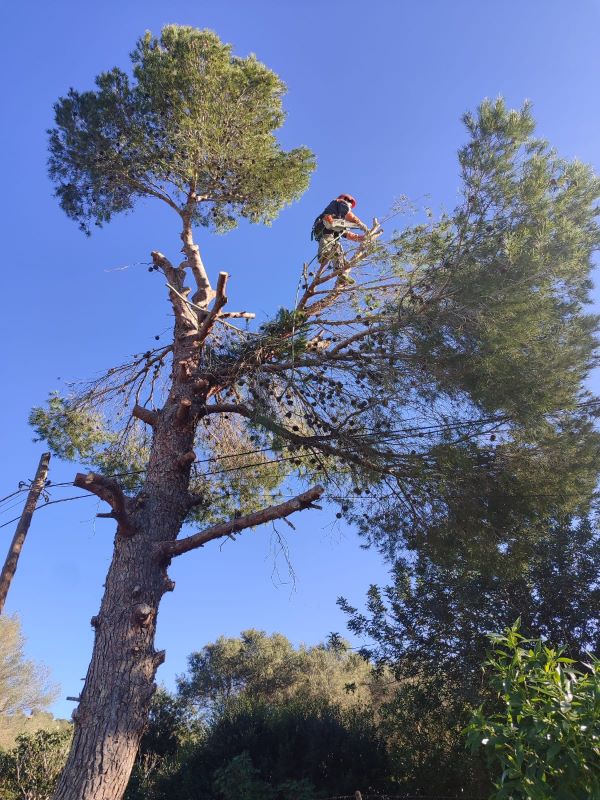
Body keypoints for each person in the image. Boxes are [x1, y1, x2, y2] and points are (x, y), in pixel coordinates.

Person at [311, 194, 370, 268]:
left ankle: (340, 273)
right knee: (327, 238)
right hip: (325, 223)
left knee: (337, 248)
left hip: (327, 229)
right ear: (346, 199)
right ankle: (323, 255)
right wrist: (360, 224)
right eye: (350, 204)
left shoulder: (339, 218)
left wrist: (359, 238)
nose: (350, 206)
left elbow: (344, 233)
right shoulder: (340, 202)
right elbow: (348, 214)